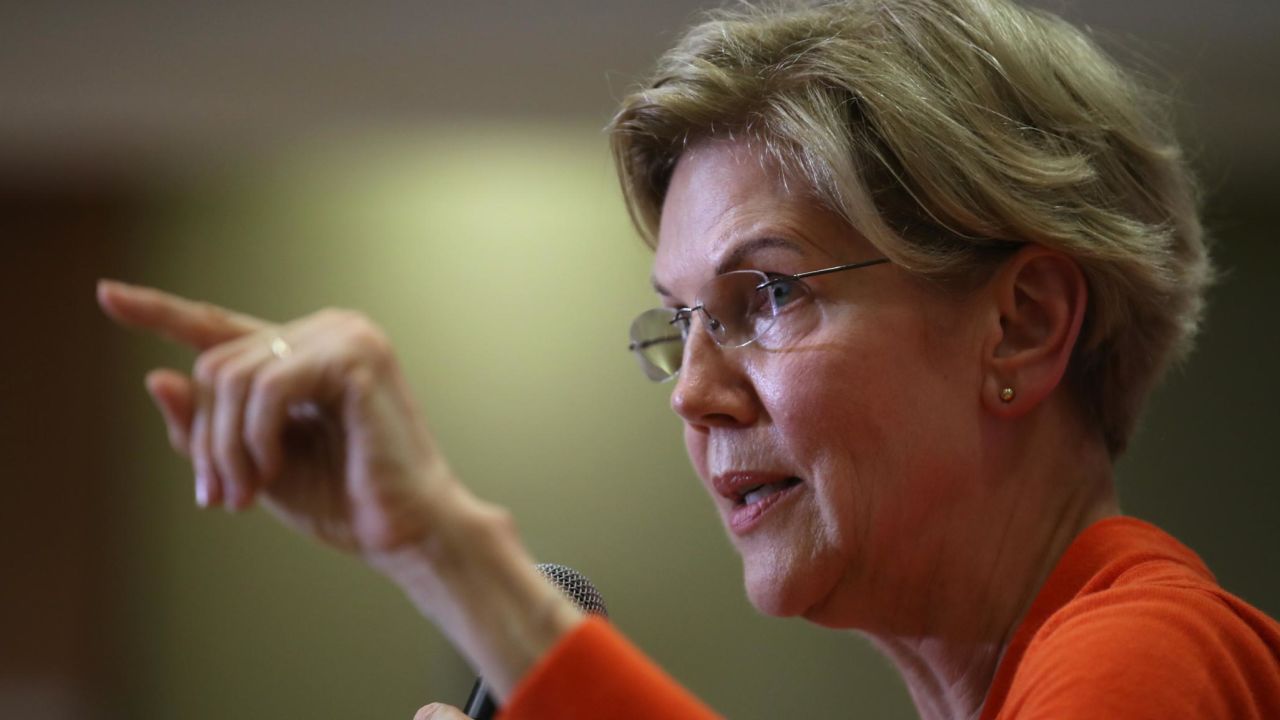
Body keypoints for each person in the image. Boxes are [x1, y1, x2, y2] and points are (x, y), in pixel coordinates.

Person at [98, 0, 1280, 717]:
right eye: (680, 324)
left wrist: (443, 549)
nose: (696, 395)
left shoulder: (1142, 655)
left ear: (1020, 324)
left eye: (763, 296)